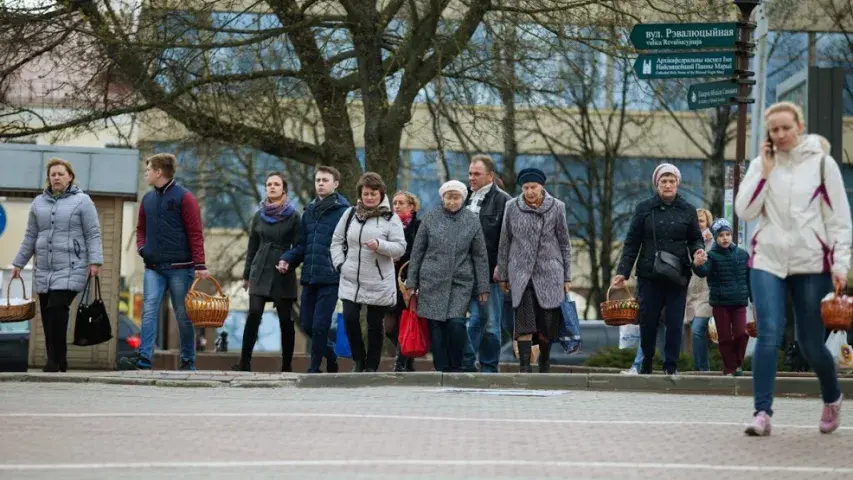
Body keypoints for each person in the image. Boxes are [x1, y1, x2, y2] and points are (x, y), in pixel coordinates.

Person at [735, 102, 851, 436]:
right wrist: (765, 171)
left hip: (811, 262)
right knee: (768, 333)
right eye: (775, 130)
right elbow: (744, 210)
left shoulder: (821, 165)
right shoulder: (762, 164)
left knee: (809, 343)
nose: (781, 135)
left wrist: (840, 264)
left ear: (799, 126)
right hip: (767, 260)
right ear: (768, 133)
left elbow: (840, 220)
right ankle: (762, 413)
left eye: (787, 128)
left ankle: (831, 397)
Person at [612, 163, 706, 375]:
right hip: (649, 274)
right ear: (657, 184)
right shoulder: (644, 208)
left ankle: (670, 366)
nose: (668, 184)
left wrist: (698, 252)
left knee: (674, 324)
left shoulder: (688, 210)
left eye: (671, 181)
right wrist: (622, 272)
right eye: (663, 181)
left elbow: (695, 239)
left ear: (677, 184)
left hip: (677, 275)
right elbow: (632, 242)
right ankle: (646, 361)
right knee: (648, 322)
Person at [11, 158, 103, 373]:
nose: (57, 178)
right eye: (53, 174)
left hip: (72, 266)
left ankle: (53, 360)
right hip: (44, 268)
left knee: (57, 309)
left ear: (69, 176)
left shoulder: (83, 201)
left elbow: (93, 233)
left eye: (61, 174)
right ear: (48, 178)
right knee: (47, 314)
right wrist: (18, 262)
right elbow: (30, 235)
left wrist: (95, 261)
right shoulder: (38, 203)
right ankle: (60, 359)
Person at [120, 153, 208, 371]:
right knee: (148, 310)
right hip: (153, 268)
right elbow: (141, 229)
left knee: (182, 314)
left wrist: (200, 264)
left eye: (148, 169)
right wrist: (142, 248)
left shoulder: (184, 198)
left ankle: (188, 360)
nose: (146, 173)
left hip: (181, 268)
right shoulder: (148, 200)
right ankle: (144, 359)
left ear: (159, 172)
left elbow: (195, 232)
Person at [405, 180, 490, 372]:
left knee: (456, 323)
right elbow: (418, 252)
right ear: (443, 198)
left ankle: (457, 366)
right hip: (431, 281)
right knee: (436, 328)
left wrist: (483, 286)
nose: (452, 201)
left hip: (459, 282)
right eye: (449, 197)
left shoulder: (471, 220)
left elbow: (480, 255)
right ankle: (441, 369)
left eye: (456, 197)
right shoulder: (430, 218)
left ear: (463, 198)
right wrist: (412, 282)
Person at [496, 168, 572, 373]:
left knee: (547, 322)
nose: (529, 191)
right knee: (524, 321)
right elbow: (505, 241)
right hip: (520, 273)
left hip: (550, 272)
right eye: (526, 187)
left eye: (534, 187)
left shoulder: (557, 207)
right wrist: (502, 273)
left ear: (542, 187)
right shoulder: (512, 207)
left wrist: (567, 275)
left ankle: (544, 363)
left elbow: (565, 243)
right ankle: (524, 367)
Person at [331, 173, 406, 372]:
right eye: (366, 193)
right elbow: (337, 241)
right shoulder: (349, 215)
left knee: (374, 324)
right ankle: (359, 360)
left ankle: (372, 365)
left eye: (373, 193)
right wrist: (340, 264)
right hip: (350, 278)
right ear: (360, 194)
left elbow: (400, 247)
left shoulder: (391, 218)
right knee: (349, 319)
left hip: (378, 280)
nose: (369, 197)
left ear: (381, 194)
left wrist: (380, 245)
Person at [280, 166, 350, 374]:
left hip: (330, 277)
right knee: (307, 325)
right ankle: (330, 355)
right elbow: (303, 245)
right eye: (318, 180)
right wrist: (287, 259)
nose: (320, 183)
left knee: (320, 325)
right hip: (310, 276)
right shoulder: (309, 211)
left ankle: (314, 368)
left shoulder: (344, 211)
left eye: (325, 180)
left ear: (335, 184)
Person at [234, 172, 301, 372]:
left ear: (284, 189)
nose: (272, 187)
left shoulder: (294, 216)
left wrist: (289, 262)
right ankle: (244, 362)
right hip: (259, 268)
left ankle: (287, 365)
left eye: (276, 184)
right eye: (268, 184)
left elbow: (299, 247)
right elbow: (252, 246)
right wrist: (247, 275)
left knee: (285, 319)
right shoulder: (259, 215)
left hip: (282, 270)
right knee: (254, 313)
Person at [462, 154, 512, 373]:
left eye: (476, 174)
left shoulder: (503, 201)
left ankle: (489, 367)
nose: (471, 178)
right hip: (462, 272)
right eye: (470, 173)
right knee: (465, 321)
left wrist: (502, 268)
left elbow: (508, 239)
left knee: (488, 322)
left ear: (490, 176)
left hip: (489, 273)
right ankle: (465, 363)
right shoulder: (462, 197)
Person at [693, 218, 751, 376]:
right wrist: (697, 265)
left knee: (741, 333)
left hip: (739, 302)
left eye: (728, 234)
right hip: (720, 303)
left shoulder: (742, 254)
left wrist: (754, 300)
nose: (725, 238)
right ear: (716, 237)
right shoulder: (711, 256)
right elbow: (703, 271)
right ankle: (730, 367)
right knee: (724, 338)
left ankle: (737, 364)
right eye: (721, 235)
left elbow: (749, 278)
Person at [384, 190, 422, 372]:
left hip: (408, 281)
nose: (397, 206)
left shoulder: (418, 226)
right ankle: (408, 360)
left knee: (406, 322)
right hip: (389, 281)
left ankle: (400, 363)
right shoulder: (387, 226)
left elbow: (419, 252)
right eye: (394, 203)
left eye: (401, 203)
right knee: (389, 328)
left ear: (412, 206)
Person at [685, 208, 714, 371]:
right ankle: (699, 368)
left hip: (707, 292)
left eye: (701, 221)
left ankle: (703, 370)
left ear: (707, 223)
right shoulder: (686, 241)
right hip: (690, 292)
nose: (698, 224)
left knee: (697, 330)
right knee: (695, 333)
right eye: (695, 221)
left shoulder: (713, 242)